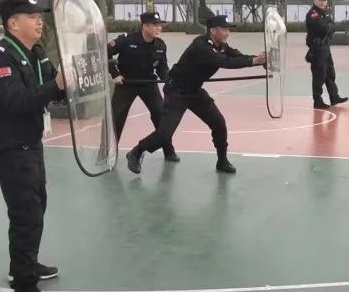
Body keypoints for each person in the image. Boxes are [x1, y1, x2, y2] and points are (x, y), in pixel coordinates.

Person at [0, 0, 66, 292]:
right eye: (32, 16)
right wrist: (57, 85)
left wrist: (72, 82)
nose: (40, 21)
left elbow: (53, 86)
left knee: (37, 206)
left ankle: (25, 265)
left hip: (30, 141)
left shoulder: (36, 52)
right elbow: (16, 102)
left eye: (40, 16)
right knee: (25, 214)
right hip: (9, 145)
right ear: (13, 24)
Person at [125, 15, 266, 174]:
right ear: (213, 30)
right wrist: (253, 61)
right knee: (164, 135)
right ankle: (136, 151)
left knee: (219, 123)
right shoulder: (201, 46)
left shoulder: (222, 46)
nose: (228, 33)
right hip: (177, 91)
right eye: (225, 29)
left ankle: (222, 161)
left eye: (228, 29)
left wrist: (258, 59)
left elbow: (237, 56)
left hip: (194, 91)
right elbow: (223, 62)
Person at [107, 11, 179, 161]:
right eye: (155, 25)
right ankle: (108, 152)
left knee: (161, 115)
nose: (159, 28)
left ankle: (169, 150)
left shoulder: (160, 45)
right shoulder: (127, 40)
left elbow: (162, 67)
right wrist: (114, 74)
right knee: (116, 117)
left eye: (160, 25)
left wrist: (168, 79)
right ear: (145, 26)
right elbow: (105, 52)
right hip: (126, 83)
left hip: (148, 83)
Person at [305, 0, 348, 108]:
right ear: (315, 0)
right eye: (320, 0)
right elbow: (324, 28)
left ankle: (334, 97)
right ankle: (317, 101)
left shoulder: (324, 14)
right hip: (317, 49)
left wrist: (329, 27)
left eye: (324, 0)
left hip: (325, 47)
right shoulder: (313, 14)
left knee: (330, 73)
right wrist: (329, 27)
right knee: (319, 76)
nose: (323, 2)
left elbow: (332, 26)